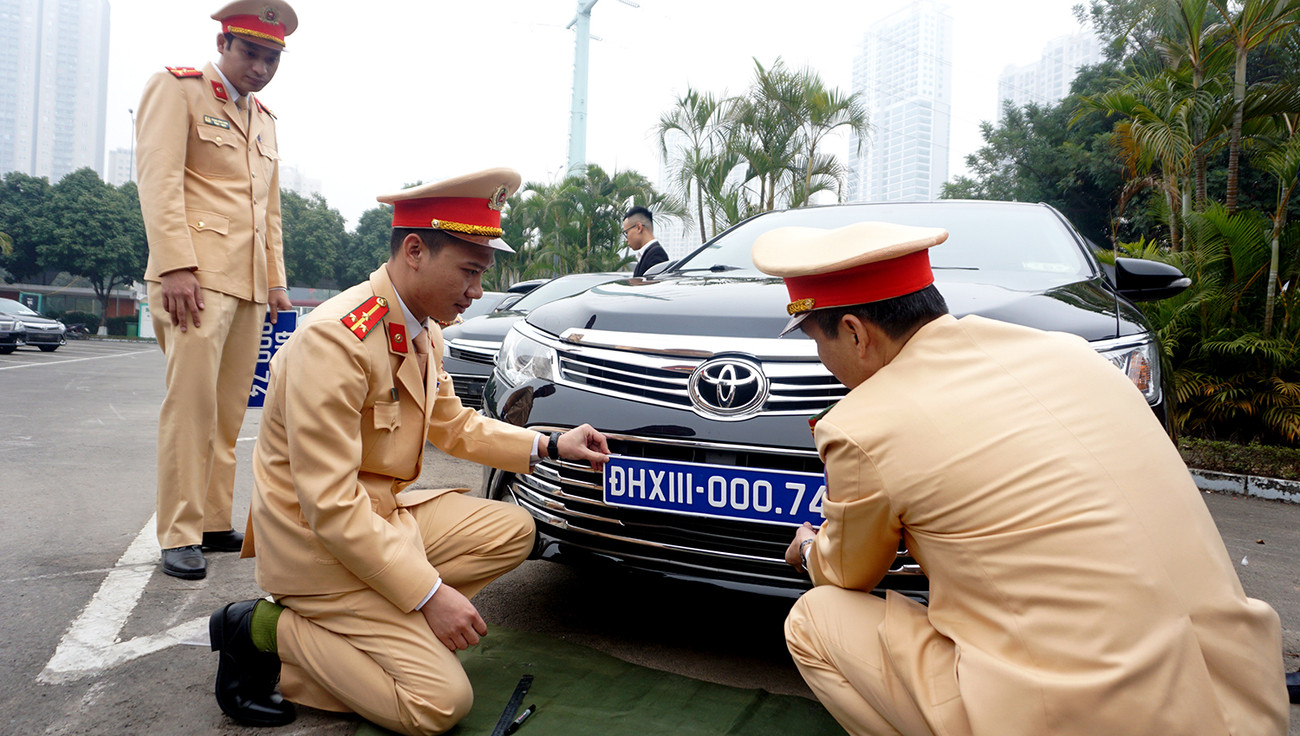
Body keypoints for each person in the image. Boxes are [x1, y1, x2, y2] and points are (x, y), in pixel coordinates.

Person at [750, 222, 1290, 736]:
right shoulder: (1070, 354)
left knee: (814, 619)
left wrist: (810, 546)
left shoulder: (864, 423)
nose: (822, 360)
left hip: (1082, 717)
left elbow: (847, 575)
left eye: (816, 341)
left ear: (854, 332)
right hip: (1243, 702)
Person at [208, 168, 611, 734]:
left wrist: (547, 444)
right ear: (416, 251)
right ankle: (264, 627)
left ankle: (377, 633)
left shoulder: (423, 327)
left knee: (515, 530)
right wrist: (428, 595)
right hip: (318, 546)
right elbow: (329, 505)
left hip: (382, 519)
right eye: (469, 272)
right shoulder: (334, 341)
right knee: (438, 704)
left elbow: (452, 424)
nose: (477, 290)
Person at [135, 0, 298, 580]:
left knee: (229, 412)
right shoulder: (177, 90)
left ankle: (208, 520)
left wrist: (277, 283)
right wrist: (176, 264)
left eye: (271, 57)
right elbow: (158, 181)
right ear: (225, 43)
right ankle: (178, 532)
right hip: (195, 280)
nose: (260, 66)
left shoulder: (267, 119)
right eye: (251, 52)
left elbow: (269, 211)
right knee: (191, 406)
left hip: (250, 284)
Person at [622, 205, 669, 278]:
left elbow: (653, 287)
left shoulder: (656, 254)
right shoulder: (647, 254)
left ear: (638, 228)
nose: (626, 239)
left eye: (626, 233)